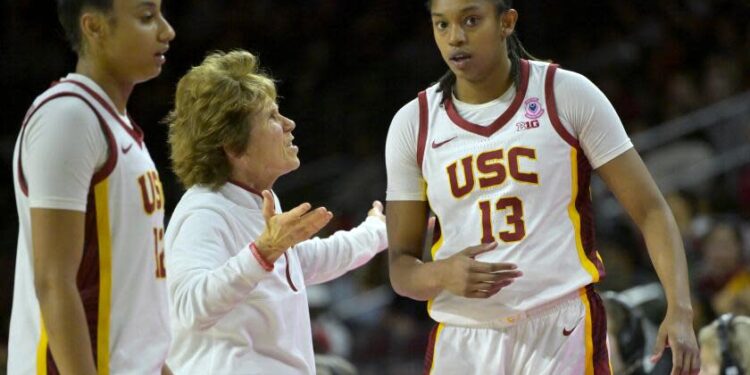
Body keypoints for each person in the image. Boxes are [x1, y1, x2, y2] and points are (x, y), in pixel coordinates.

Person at [384, 0, 700, 374]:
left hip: (559, 325)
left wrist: (680, 308)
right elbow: (401, 268)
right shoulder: (413, 123)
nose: (455, 37)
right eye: (442, 25)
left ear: (506, 22)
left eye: (471, 20)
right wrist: (440, 274)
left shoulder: (566, 93)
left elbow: (650, 210)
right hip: (464, 337)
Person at [163, 49, 388, 374]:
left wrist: (379, 231)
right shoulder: (204, 211)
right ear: (233, 146)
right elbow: (190, 307)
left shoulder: (253, 200)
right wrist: (264, 250)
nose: (289, 123)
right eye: (271, 117)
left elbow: (305, 260)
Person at [8, 0, 175, 374]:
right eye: (147, 17)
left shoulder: (115, 125)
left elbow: (133, 295)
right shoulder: (69, 117)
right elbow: (53, 281)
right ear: (94, 26)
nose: (167, 31)